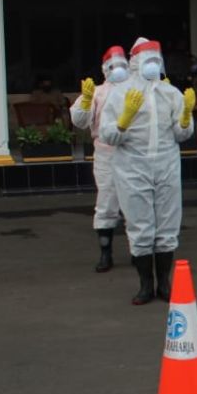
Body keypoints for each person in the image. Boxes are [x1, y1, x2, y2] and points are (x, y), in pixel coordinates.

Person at [100, 37, 194, 305]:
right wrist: (123, 121)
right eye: (147, 59)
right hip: (132, 166)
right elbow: (108, 135)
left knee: (167, 225)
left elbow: (181, 134)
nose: (153, 64)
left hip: (166, 164)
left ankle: (164, 283)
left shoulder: (171, 93)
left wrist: (186, 117)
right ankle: (145, 285)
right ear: (135, 62)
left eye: (157, 59)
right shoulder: (119, 94)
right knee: (141, 226)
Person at [71, 46, 129, 273]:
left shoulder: (136, 90)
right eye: (114, 66)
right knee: (106, 202)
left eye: (123, 64)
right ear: (105, 69)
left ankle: (140, 251)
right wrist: (85, 101)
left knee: (136, 202)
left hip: (132, 151)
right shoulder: (96, 92)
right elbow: (79, 121)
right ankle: (106, 253)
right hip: (106, 152)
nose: (119, 70)